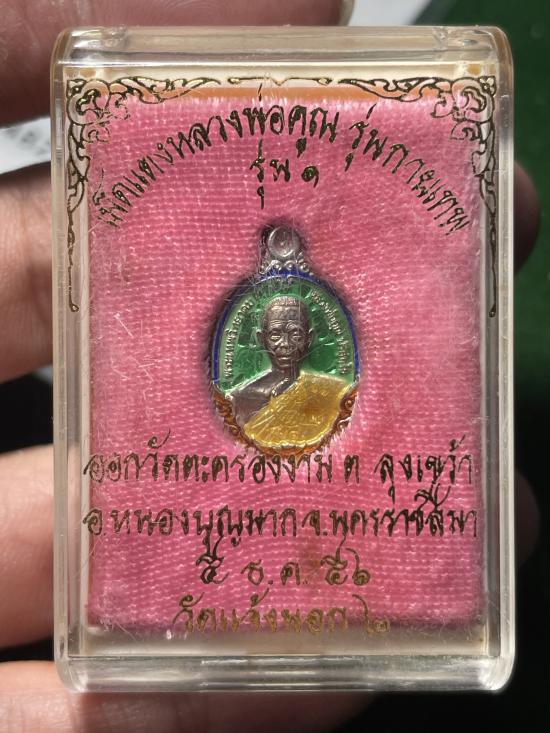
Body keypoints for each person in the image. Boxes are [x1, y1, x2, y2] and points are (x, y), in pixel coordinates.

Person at [0, 0, 541, 731]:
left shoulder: (325, 389)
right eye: (275, 325)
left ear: (311, 331)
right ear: (259, 331)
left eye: (295, 325)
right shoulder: (249, 391)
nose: (284, 335)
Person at [232, 295, 350, 451]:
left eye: (296, 334)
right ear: (261, 339)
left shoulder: (334, 393)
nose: (285, 344)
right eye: (275, 335)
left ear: (309, 339)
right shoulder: (242, 398)